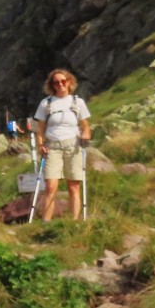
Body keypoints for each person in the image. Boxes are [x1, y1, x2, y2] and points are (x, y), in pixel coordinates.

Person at [33, 68, 92, 221]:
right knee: (51, 186)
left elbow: (85, 125)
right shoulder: (45, 103)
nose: (60, 84)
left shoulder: (77, 102)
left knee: (74, 186)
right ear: (52, 85)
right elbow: (40, 129)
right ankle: (46, 221)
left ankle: (73, 221)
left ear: (69, 82)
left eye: (63, 81)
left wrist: (86, 133)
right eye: (56, 82)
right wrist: (40, 145)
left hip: (73, 146)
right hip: (52, 147)